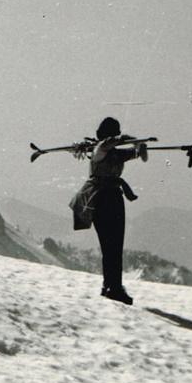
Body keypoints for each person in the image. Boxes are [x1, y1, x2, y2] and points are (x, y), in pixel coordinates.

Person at [70, 117, 143, 305]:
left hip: (113, 197)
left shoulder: (115, 152)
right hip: (102, 198)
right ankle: (113, 287)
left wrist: (139, 146)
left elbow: (140, 154)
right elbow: (107, 144)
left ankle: (111, 285)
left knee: (114, 246)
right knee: (110, 244)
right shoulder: (99, 150)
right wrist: (127, 139)